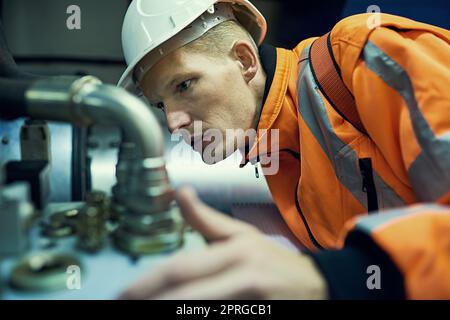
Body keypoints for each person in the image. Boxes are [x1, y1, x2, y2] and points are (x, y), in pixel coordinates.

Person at [117, 0, 450, 299]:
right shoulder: (273, 151)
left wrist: (337, 277)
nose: (173, 122)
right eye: (160, 104)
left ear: (244, 59)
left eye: (184, 85)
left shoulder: (363, 52)